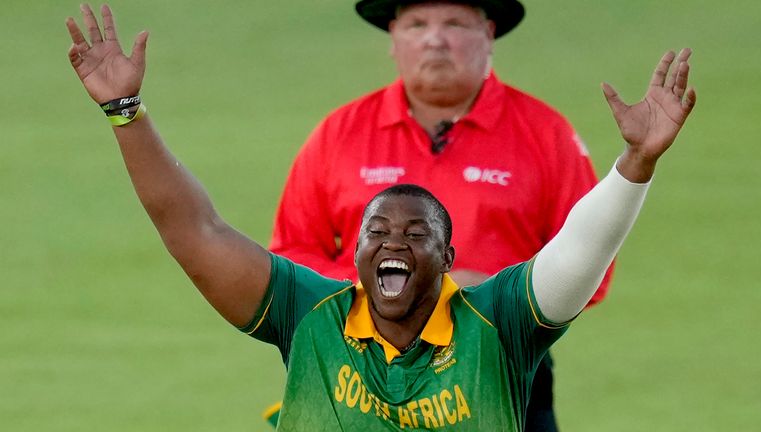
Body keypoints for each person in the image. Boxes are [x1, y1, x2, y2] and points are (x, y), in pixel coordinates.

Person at [65, 3, 696, 431]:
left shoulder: (502, 325)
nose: (393, 244)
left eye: (418, 234)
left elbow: (582, 251)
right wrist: (125, 110)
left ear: (448, 260)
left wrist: (636, 163)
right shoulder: (311, 313)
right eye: (376, 231)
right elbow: (195, 230)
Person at [269, 1, 612, 429]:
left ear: (488, 34)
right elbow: (292, 253)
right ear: (394, 38)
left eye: (453, 23)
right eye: (416, 25)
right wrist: (379, 291)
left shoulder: (545, 134)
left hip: (498, 360)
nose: (434, 38)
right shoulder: (339, 134)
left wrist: (488, 293)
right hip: (361, 369)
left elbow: (591, 262)